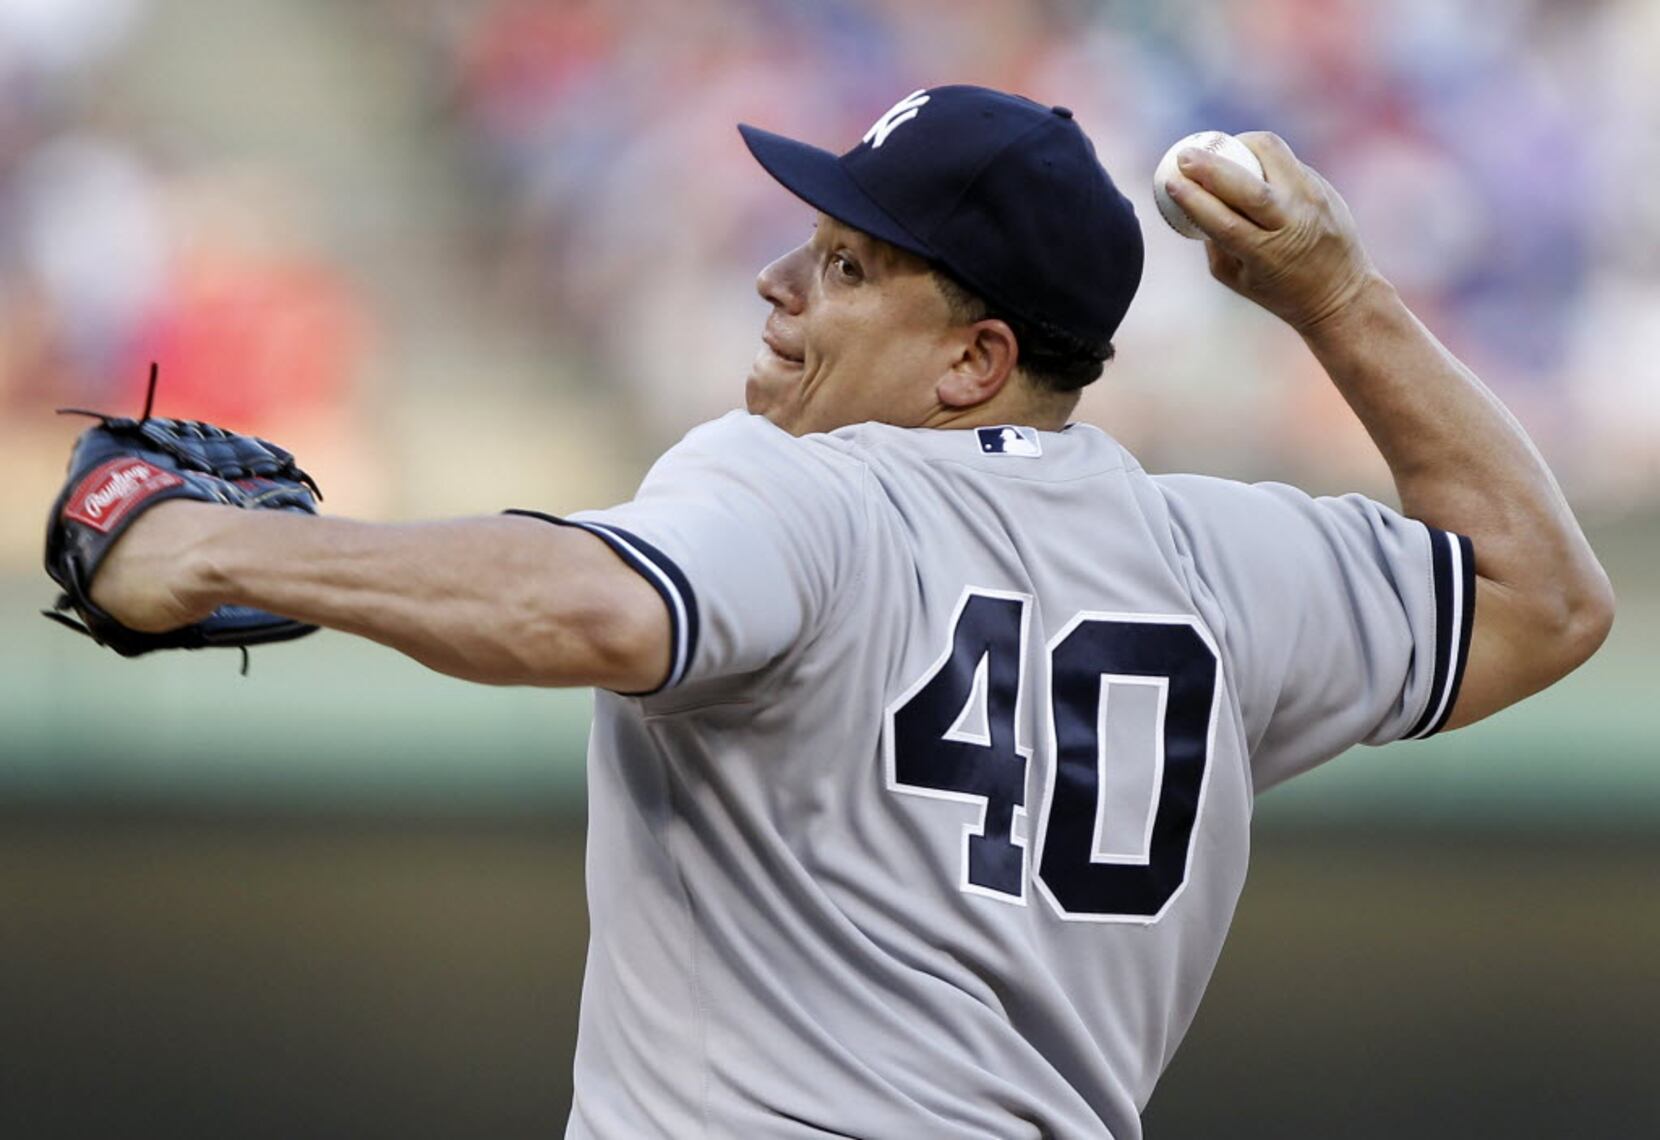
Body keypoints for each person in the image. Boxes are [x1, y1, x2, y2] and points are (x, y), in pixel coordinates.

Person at [85, 86, 1612, 1138]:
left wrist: (213, 548)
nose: (775, 284)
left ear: (972, 360)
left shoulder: (811, 489)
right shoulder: (1223, 562)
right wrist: (1339, 294)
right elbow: (1544, 601)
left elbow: (596, 613)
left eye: (843, 262)